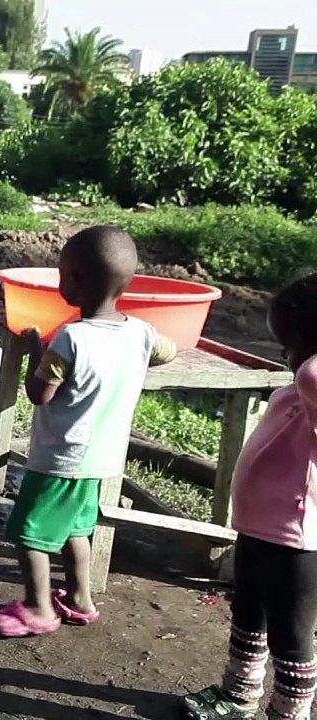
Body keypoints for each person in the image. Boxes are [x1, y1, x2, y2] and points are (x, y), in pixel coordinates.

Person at [0, 225, 178, 637]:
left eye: (61, 273)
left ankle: (38, 608)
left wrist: (37, 348)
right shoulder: (141, 333)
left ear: (74, 280)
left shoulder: (71, 338)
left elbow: (39, 393)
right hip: (101, 458)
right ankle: (80, 599)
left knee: (30, 533)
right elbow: (168, 351)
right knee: (76, 528)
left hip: (62, 458)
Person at [183, 272, 317, 720]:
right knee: (248, 613)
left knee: (290, 636)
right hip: (260, 525)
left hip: (296, 541)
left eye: (289, 345)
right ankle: (239, 693)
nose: (285, 356)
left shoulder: (313, 382)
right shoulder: (301, 386)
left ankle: (289, 713)